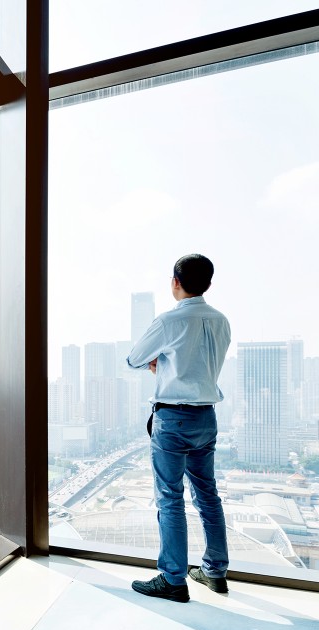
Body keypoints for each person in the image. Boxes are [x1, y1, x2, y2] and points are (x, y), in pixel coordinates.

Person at [125, 254, 231, 602]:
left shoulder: (170, 321)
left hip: (172, 419)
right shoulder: (221, 321)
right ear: (208, 284)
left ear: (175, 282)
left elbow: (134, 358)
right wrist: (169, 363)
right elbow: (201, 364)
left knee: (170, 499)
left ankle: (173, 580)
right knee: (207, 495)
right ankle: (215, 572)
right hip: (206, 418)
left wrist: (159, 363)